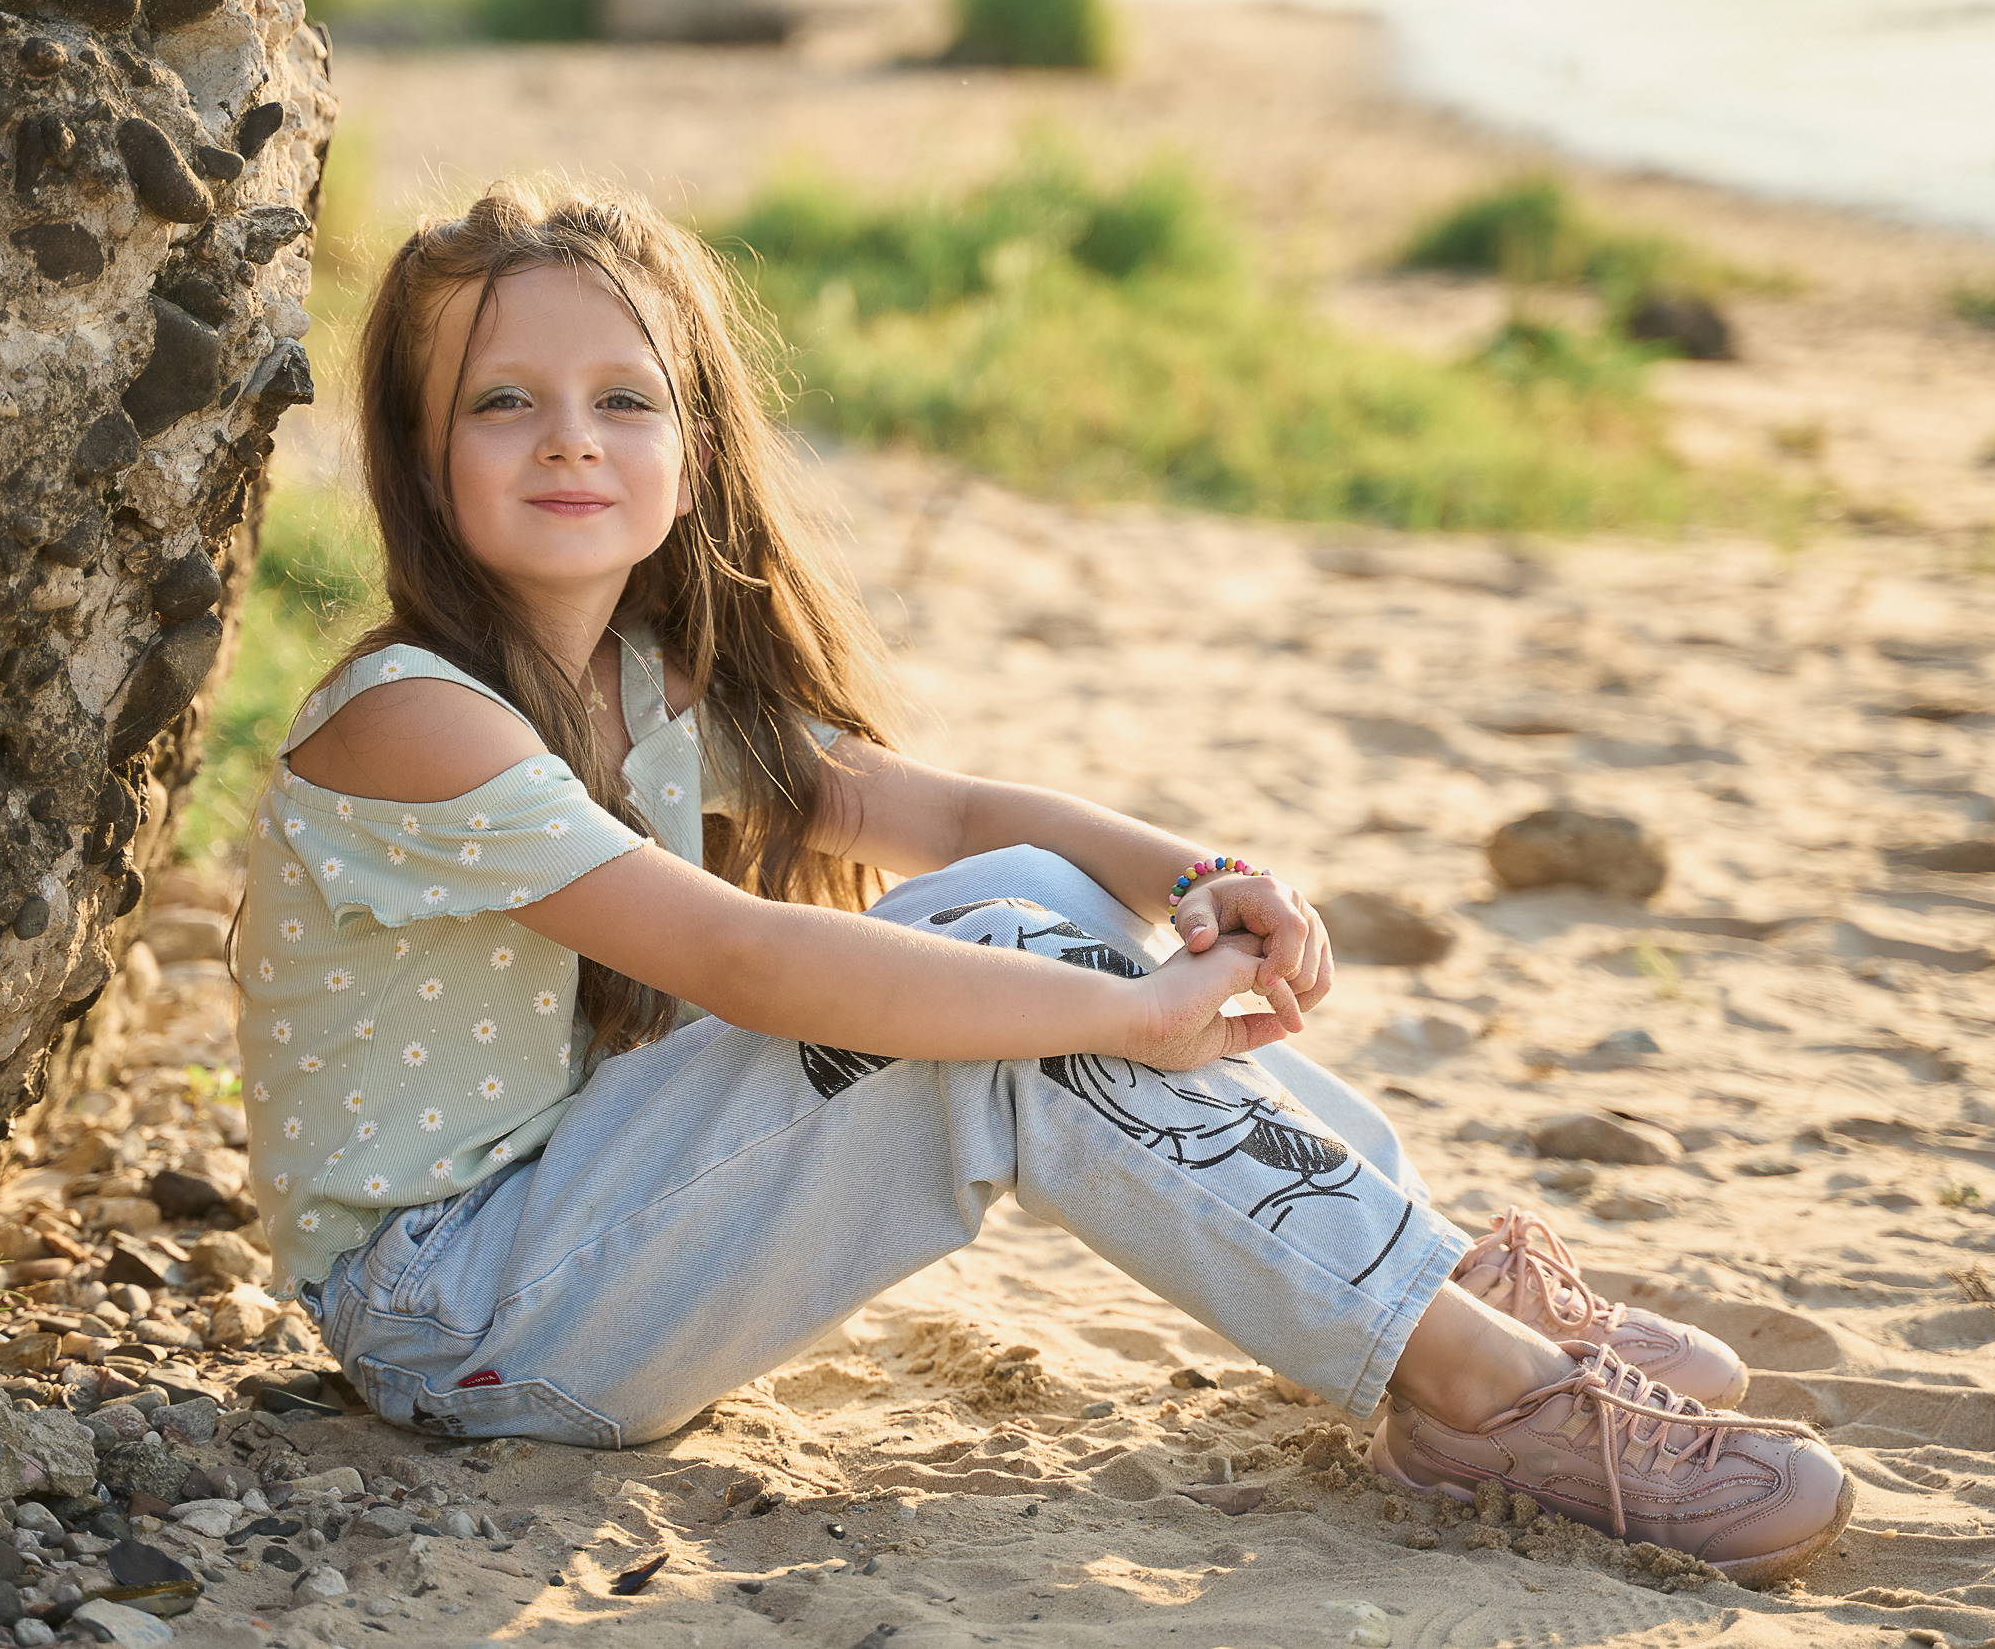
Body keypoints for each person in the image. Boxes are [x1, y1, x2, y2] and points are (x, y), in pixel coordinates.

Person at [231, 182, 1852, 1587]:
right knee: (1024, 998)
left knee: (1021, 888)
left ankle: (1416, 1283)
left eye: (621, 400)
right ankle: (1482, 1394)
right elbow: (747, 961)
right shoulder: (418, 724)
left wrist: (1205, 878)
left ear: (697, 443)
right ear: (420, 451)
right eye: (503, 403)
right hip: (460, 1321)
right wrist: (1129, 1016)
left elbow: (946, 808)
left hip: (584, 1233)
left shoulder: (643, 676)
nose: (572, 437)